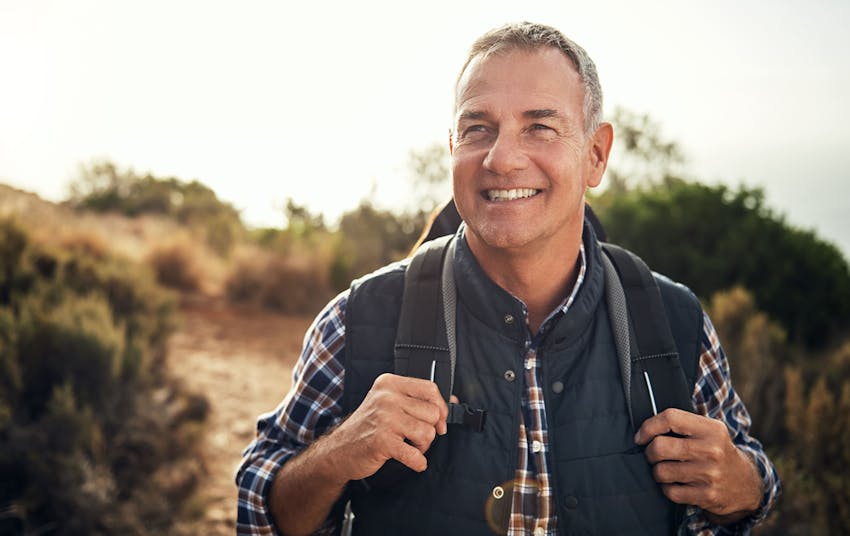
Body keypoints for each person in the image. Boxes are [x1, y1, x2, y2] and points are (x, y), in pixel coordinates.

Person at [236, 22, 780, 535]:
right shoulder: (355, 320)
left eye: (539, 127)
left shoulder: (676, 322)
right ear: (453, 148)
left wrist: (745, 485)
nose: (501, 158)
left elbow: (746, 486)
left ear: (596, 155)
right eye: (478, 128)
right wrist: (336, 456)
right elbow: (263, 510)